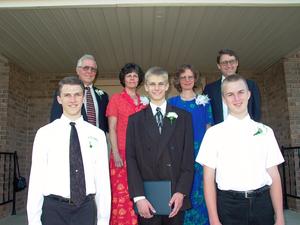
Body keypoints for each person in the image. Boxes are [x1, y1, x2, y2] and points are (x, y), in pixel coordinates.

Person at [196, 74, 285, 225]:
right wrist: (214, 218)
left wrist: (280, 216)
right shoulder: (213, 134)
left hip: (263, 205)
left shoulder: (265, 131)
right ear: (224, 99)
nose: (237, 98)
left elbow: (275, 177)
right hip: (229, 207)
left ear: (249, 94)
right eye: (230, 94)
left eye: (240, 92)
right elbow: (208, 179)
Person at [27, 76, 111, 225]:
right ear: (59, 99)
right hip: (54, 210)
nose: (73, 100)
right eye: (67, 95)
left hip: (86, 209)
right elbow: (37, 179)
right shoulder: (45, 133)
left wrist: (103, 220)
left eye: (77, 94)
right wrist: (34, 220)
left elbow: (103, 180)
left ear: (83, 97)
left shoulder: (97, 134)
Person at [126, 66, 194, 225]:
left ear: (167, 86)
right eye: (152, 84)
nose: (157, 88)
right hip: (148, 197)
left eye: (161, 84)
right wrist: (139, 197)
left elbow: (188, 158)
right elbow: (131, 159)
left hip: (174, 195)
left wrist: (181, 192)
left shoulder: (183, 117)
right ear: (147, 87)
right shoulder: (135, 120)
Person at [168, 64, 213, 225]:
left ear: (195, 79)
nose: (187, 80)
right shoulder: (171, 103)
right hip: (179, 156)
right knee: (181, 189)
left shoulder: (204, 102)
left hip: (200, 155)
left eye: (190, 77)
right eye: (183, 77)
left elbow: (209, 130)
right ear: (178, 81)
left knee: (200, 190)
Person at [106, 63, 147, 225]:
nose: (132, 78)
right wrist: (115, 153)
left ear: (139, 79)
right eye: (128, 75)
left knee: (139, 193)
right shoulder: (116, 99)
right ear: (123, 79)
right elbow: (112, 127)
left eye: (135, 75)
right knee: (121, 195)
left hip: (140, 156)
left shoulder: (144, 102)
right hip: (121, 154)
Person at [50, 54, 109, 133]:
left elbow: (106, 123)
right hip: (74, 139)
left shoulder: (103, 95)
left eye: (93, 69)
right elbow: (56, 117)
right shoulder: (65, 92)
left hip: (97, 140)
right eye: (86, 68)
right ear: (77, 70)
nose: (89, 71)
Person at [203, 48, 261, 124]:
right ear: (219, 66)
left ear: (237, 63)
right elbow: (205, 113)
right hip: (220, 133)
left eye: (232, 61)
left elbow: (256, 111)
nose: (229, 65)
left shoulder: (251, 85)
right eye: (224, 62)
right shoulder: (209, 89)